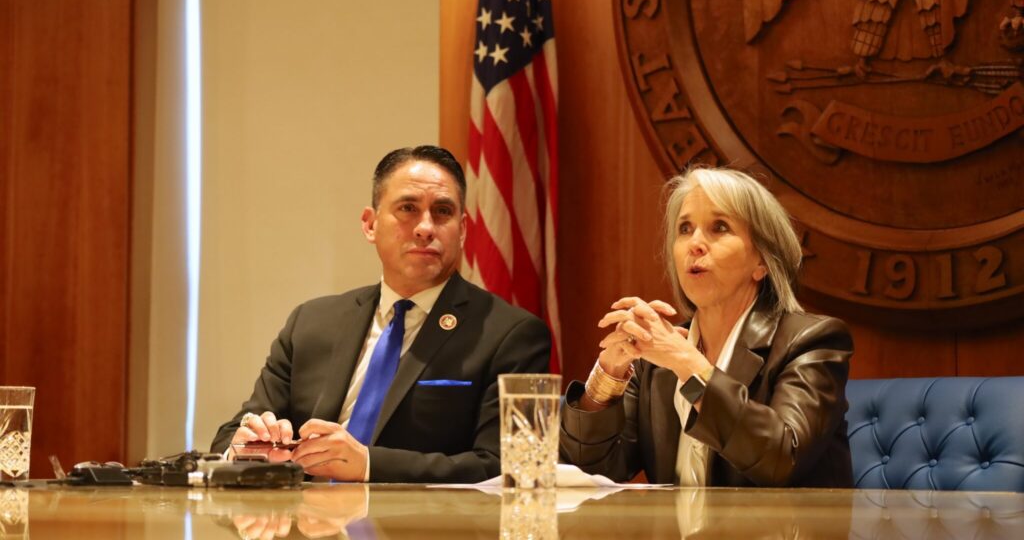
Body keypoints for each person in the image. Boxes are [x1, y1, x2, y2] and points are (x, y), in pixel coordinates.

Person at [211, 145, 551, 483]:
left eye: (443, 211)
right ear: (370, 225)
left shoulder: (511, 334)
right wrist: (246, 447)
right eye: (408, 208)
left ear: (462, 230)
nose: (425, 227)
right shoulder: (311, 323)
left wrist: (369, 465)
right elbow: (230, 436)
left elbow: (507, 467)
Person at [559, 167, 853, 487]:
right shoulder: (656, 364)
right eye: (685, 228)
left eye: (719, 227)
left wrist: (687, 364)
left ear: (762, 262)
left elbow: (781, 458)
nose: (695, 243)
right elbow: (589, 475)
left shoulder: (812, 342)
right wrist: (608, 378)